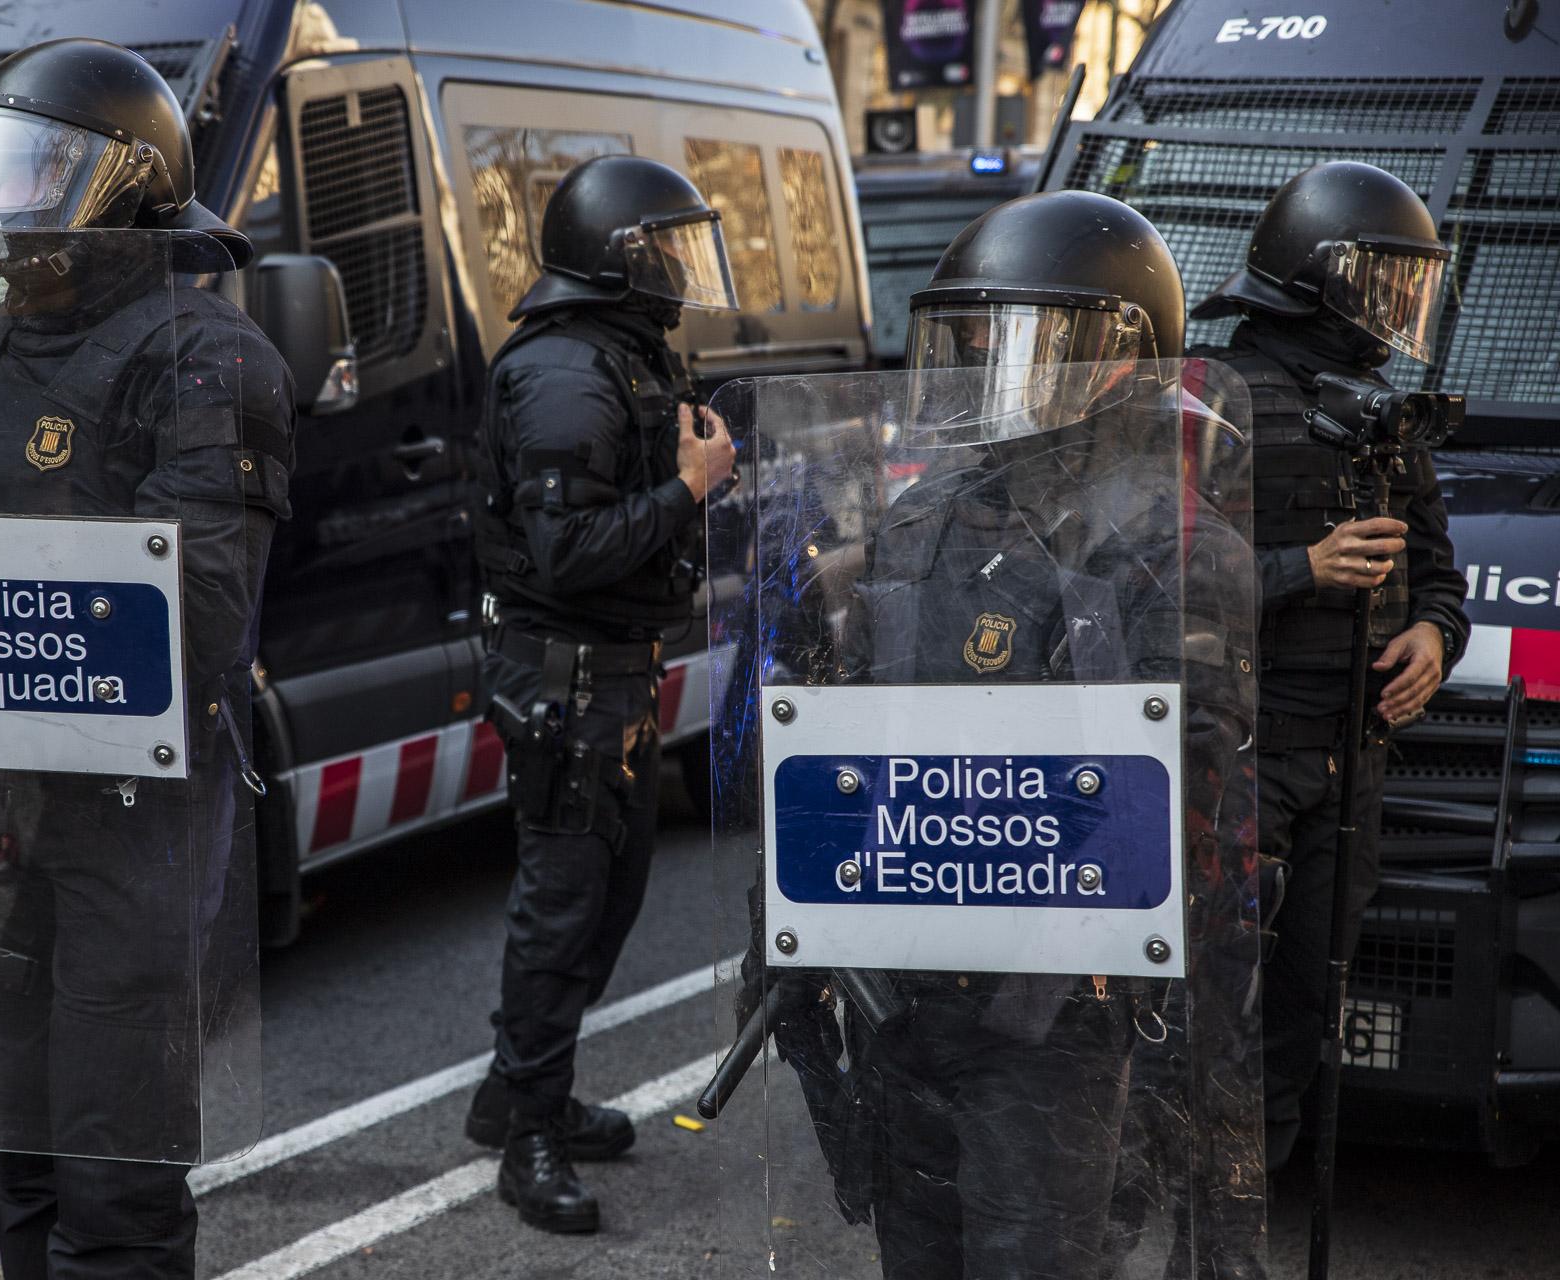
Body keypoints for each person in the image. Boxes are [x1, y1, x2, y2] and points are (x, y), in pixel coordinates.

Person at [774, 190, 1260, 1278]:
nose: (995, 369)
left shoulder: (1174, 546)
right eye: (975, 338)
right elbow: (851, 731)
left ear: (1125, 359)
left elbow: (1164, 805)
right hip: (902, 993)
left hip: (1050, 1015)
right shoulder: (922, 515)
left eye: (1029, 340)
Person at [0, 39, 292, 1279]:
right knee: (24, 1146)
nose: (15, 203)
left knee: (115, 1155)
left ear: (130, 183)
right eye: (3, 165)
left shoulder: (210, 356)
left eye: (45, 169)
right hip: (1, 796)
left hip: (137, 803)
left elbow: (198, 602)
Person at [466, 153, 738, 1232]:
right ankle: (528, 1135)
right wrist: (688, 487)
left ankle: (519, 1089)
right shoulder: (567, 371)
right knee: (563, 906)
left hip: (614, 674)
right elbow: (568, 547)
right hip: (565, 677)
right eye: (668, 248)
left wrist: (687, 476)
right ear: (619, 258)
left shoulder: (620, 357)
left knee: (609, 896)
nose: (683, 270)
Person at [1188, 160, 1470, 1174]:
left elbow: (1440, 576)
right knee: (1205, 1017)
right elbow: (1142, 582)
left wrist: (1436, 634)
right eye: (1384, 282)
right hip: (1239, 756)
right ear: (1322, 277)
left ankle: (1245, 1219)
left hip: (1352, 757)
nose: (1399, 307)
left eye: (1412, 284)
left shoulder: (1385, 409)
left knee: (1303, 1020)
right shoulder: (1214, 400)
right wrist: (1296, 568)